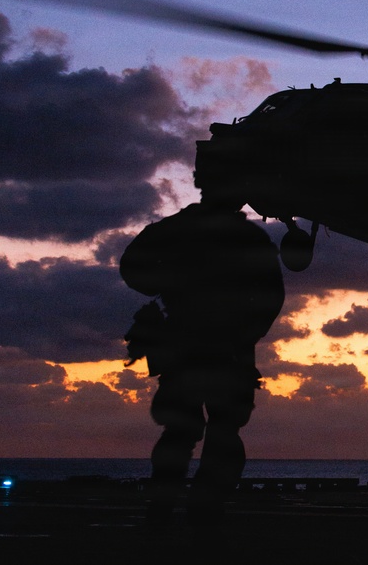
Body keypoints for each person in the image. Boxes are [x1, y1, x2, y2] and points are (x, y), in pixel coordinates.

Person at [119, 184, 284, 527]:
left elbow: (133, 270)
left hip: (187, 346)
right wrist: (245, 334)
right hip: (228, 349)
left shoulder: (172, 230)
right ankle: (202, 509)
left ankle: (163, 509)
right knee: (221, 432)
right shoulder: (248, 238)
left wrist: (169, 283)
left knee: (181, 431)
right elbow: (271, 298)